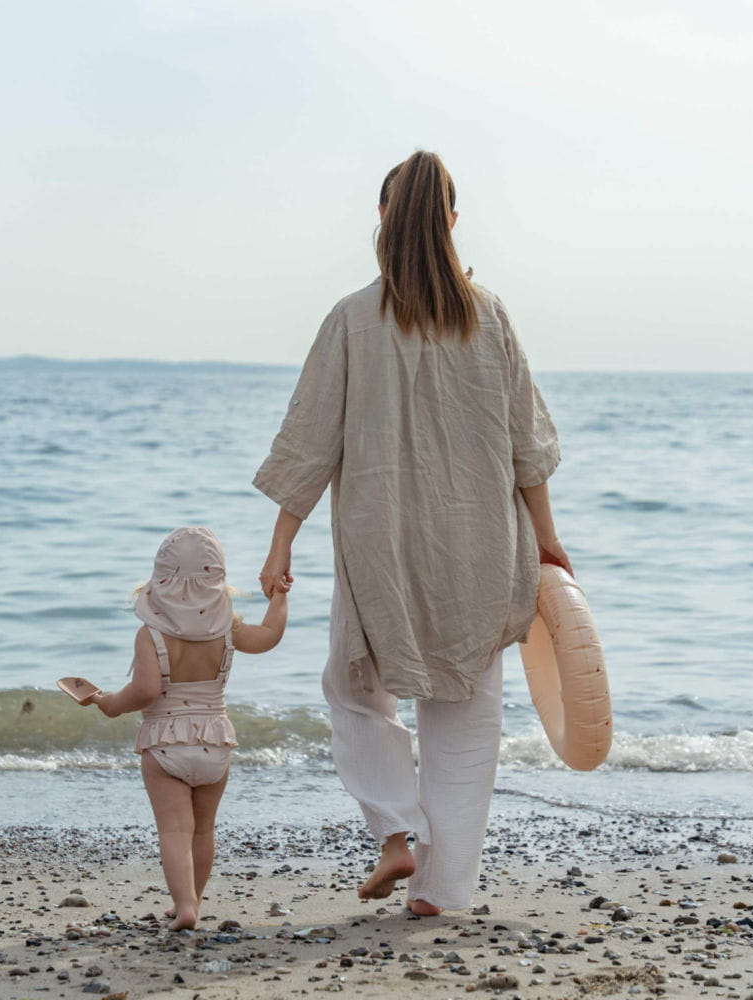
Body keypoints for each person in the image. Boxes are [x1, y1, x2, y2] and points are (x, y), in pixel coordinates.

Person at [254, 150, 570, 916]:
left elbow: (310, 441)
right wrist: (547, 538)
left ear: (382, 216)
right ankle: (440, 890)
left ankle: (396, 831)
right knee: (465, 713)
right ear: (451, 222)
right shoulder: (489, 316)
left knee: (354, 686)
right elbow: (526, 445)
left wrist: (281, 540)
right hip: (481, 543)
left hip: (380, 544)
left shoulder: (353, 319)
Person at [77, 526, 288, 930]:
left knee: (174, 831)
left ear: (159, 578)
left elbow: (145, 691)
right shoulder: (228, 627)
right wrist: (279, 595)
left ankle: (184, 904)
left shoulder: (151, 634)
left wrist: (109, 704)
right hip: (216, 741)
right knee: (202, 831)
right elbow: (269, 637)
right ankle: (195, 900)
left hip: (166, 744)